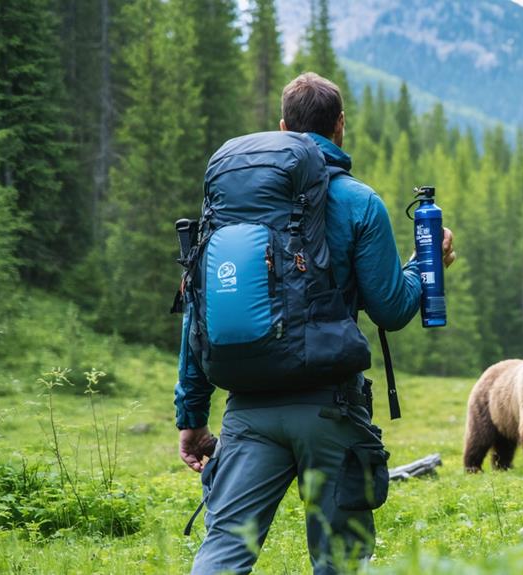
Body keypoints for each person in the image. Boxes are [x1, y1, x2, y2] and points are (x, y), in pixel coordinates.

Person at [174, 72, 456, 575]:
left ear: (284, 127)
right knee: (339, 560)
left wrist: (192, 416)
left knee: (224, 553)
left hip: (247, 411)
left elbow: (199, 309)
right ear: (341, 126)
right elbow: (392, 308)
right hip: (330, 409)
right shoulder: (358, 202)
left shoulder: (234, 209)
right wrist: (424, 265)